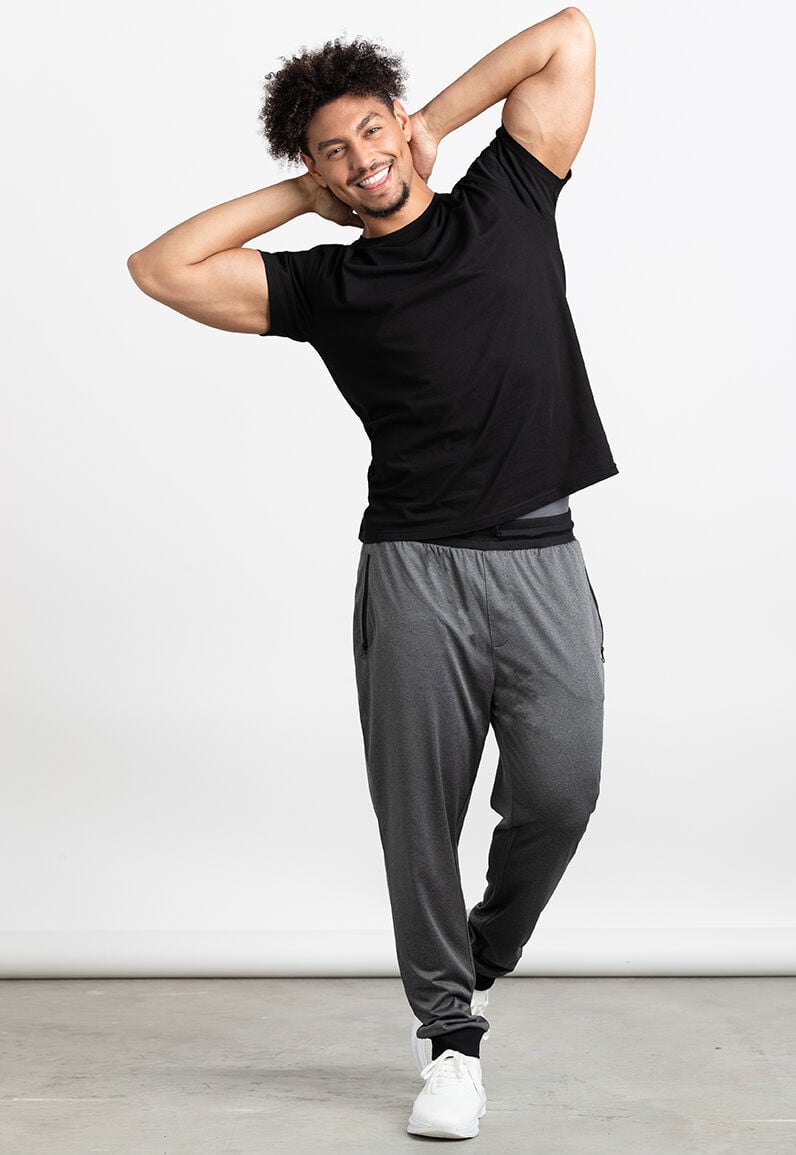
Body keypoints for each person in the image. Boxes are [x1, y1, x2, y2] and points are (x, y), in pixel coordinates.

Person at [127, 6, 617, 1140]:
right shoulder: (326, 288)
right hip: (411, 572)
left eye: (369, 132)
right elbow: (159, 268)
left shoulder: (508, 198)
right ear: (318, 172)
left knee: (562, 791)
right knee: (418, 819)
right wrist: (304, 198)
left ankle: (483, 952)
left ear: (397, 122)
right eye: (331, 152)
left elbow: (568, 37)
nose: (361, 160)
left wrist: (435, 121)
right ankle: (450, 1040)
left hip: (540, 553)